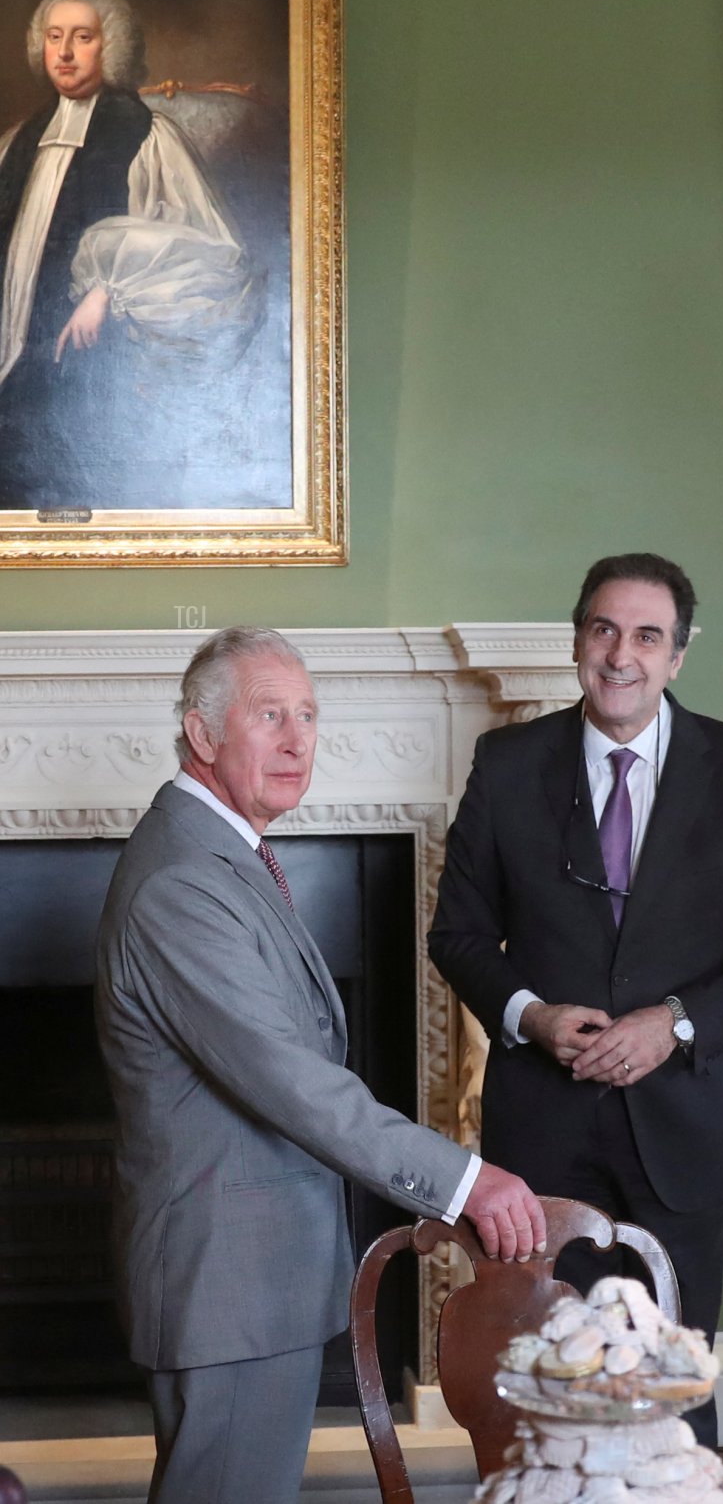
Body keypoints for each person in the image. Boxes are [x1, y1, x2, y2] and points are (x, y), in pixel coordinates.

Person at [95, 627, 545, 1504]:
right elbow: (296, 1084)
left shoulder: (226, 858)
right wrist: (464, 1182)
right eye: (270, 715)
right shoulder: (181, 883)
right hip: (225, 1288)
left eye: (308, 714)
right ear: (202, 732)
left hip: (252, 1282)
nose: (300, 739)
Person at [428, 552, 723, 1447]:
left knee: (673, 1389)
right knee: (549, 1388)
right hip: (545, 1140)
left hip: (686, 1137)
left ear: (678, 654)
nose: (621, 653)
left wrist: (673, 1024)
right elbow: (459, 937)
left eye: (647, 634)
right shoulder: (508, 762)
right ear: (577, 642)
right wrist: (534, 1016)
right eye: (603, 629)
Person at [0, 0, 262, 509]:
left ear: (111, 45)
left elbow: (209, 254)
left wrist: (108, 289)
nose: (66, 53)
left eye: (83, 37)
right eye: (55, 37)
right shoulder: (15, 144)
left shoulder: (147, 136)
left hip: (105, 368)